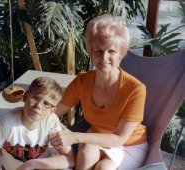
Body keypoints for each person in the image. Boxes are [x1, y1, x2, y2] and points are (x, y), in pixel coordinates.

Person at [49, 14, 148, 170]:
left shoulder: (135, 89)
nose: (104, 58)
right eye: (98, 51)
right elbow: (53, 112)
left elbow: (119, 139)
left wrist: (74, 137)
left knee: (104, 167)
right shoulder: (82, 81)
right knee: (86, 154)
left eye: (112, 51)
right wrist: (28, 111)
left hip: (129, 144)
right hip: (95, 137)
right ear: (90, 51)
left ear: (122, 53)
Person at [0, 77, 75, 170]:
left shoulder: (50, 120)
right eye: (35, 98)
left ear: (52, 111)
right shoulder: (5, 123)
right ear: (26, 96)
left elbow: (69, 159)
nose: (38, 106)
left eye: (46, 103)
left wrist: (32, 164)